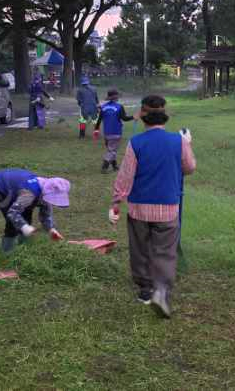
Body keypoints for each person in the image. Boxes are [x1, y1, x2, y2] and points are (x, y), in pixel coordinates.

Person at [109, 95, 196, 318]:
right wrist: (187, 144)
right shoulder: (179, 141)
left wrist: (117, 201)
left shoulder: (136, 143)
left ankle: (145, 290)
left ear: (143, 116)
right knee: (165, 251)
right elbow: (189, 168)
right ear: (164, 116)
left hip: (139, 208)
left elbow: (126, 176)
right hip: (168, 207)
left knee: (140, 248)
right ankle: (162, 291)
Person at [0, 169, 71, 253]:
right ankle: (7, 251)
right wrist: (24, 227)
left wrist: (51, 229)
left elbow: (46, 213)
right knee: (12, 222)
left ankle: (24, 248)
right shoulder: (29, 195)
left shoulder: (45, 189)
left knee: (26, 214)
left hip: (18, 185)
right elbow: (12, 212)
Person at [94, 89, 135, 172]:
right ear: (116, 98)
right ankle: (104, 167)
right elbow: (124, 118)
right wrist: (134, 117)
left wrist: (96, 130)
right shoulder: (119, 107)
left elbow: (99, 119)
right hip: (116, 132)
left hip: (106, 133)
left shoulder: (103, 107)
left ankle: (115, 166)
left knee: (111, 149)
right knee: (112, 150)